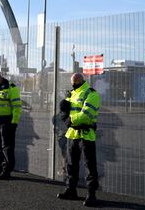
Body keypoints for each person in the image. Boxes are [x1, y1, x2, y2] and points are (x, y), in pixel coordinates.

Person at [57, 73, 101, 207]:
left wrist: (70, 120)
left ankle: (91, 195)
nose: (73, 84)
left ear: (82, 80)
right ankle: (71, 190)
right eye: (72, 82)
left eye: (75, 81)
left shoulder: (91, 94)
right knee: (71, 165)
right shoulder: (72, 94)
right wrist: (64, 114)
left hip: (86, 134)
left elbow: (87, 114)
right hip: (73, 134)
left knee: (89, 166)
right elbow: (67, 111)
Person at [0, 73, 22, 180]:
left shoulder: (11, 88)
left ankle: (7, 170)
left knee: (7, 147)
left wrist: (14, 122)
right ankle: (0, 168)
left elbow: (17, 106)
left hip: (7, 120)